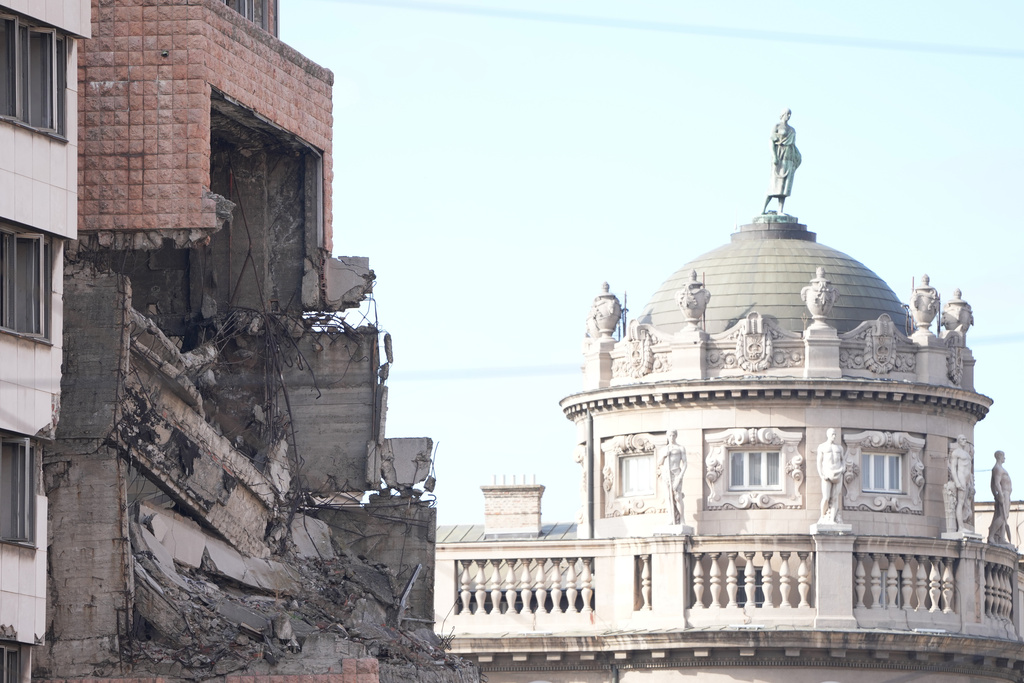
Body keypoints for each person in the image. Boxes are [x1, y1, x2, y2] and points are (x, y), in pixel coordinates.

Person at [762, 108, 802, 215]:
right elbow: (771, 141)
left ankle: (780, 210)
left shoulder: (792, 130)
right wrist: (774, 155)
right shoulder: (777, 126)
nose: (788, 116)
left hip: (788, 158)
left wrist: (798, 157)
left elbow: (793, 145)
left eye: (790, 114)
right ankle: (763, 209)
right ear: (782, 114)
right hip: (779, 156)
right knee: (773, 184)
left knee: (784, 187)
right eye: (787, 114)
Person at [658, 430, 686, 525]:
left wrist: (680, 477)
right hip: (666, 474)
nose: (671, 437)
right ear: (667, 436)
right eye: (670, 435)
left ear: (676, 436)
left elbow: (685, 463)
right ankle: (671, 517)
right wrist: (664, 456)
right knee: (668, 497)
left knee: (677, 497)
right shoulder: (664, 449)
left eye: (673, 435)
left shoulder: (680, 448)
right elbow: (659, 463)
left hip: (676, 473)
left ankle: (682, 519)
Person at [817, 428, 844, 524]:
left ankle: (832, 519)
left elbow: (842, 460)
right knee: (826, 497)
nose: (834, 436)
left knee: (835, 498)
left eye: (835, 434)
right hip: (827, 474)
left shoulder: (839, 448)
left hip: (838, 473)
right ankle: (823, 516)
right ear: (828, 435)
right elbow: (819, 462)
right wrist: (821, 474)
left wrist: (842, 469)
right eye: (832, 434)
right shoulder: (822, 447)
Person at [949, 434, 974, 531]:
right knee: (960, 502)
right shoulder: (956, 453)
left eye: (966, 439)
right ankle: (960, 527)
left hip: (967, 480)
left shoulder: (967, 454)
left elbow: (969, 470)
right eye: (963, 439)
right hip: (961, 478)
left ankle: (962, 525)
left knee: (965, 504)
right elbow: (953, 469)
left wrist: (971, 482)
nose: (965, 441)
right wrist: (957, 482)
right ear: (959, 441)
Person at [989, 450, 1012, 545]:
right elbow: (996, 483)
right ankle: (991, 536)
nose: (1004, 458)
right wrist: (1000, 495)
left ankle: (1002, 538)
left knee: (1005, 516)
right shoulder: (997, 468)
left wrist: (996, 495)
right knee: (1003, 516)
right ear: (999, 456)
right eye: (1003, 456)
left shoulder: (999, 468)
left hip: (1006, 494)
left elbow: (991, 484)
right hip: (1004, 494)